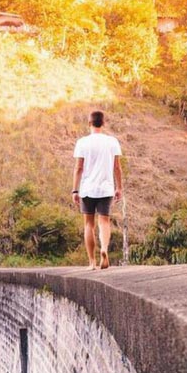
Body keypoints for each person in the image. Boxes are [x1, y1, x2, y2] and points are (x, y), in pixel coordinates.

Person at [72, 110, 123, 270]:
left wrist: (75, 190)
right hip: (106, 188)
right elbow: (117, 167)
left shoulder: (82, 142)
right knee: (104, 221)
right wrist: (119, 187)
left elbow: (78, 168)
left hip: (87, 188)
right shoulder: (112, 141)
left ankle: (92, 262)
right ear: (103, 123)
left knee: (89, 224)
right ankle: (105, 249)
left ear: (89, 123)